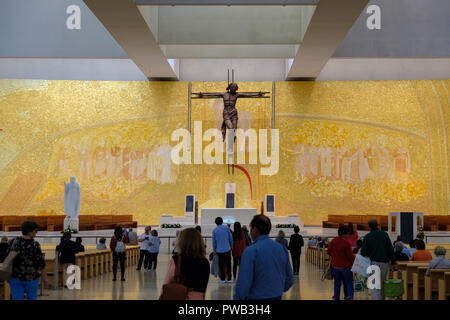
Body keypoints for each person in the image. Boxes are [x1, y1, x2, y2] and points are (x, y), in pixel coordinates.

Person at [234, 215, 293, 300]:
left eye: (251, 228)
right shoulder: (281, 248)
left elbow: (244, 284)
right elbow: (290, 279)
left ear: (255, 229)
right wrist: (276, 290)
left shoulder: (250, 251)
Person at [162, 228, 210, 300]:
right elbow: (204, 286)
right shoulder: (205, 262)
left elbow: (167, 282)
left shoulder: (176, 260)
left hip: (179, 296)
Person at [7, 221, 48, 300]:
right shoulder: (35, 245)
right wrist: (45, 278)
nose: (36, 233)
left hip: (15, 277)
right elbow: (41, 263)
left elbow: (7, 257)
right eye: (35, 231)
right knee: (32, 298)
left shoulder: (13, 242)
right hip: (31, 278)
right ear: (30, 232)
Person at [360, 219, 397, 300]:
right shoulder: (384, 235)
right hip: (384, 263)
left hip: (374, 263)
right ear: (378, 225)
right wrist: (393, 262)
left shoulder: (367, 237)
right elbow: (390, 249)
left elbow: (363, 252)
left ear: (369, 226)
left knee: (375, 285)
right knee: (382, 283)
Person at [327, 226, 355, 300]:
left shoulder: (333, 241)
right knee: (349, 283)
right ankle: (349, 297)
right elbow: (350, 256)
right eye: (347, 234)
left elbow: (328, 252)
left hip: (335, 267)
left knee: (337, 284)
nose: (348, 236)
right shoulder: (346, 243)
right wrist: (354, 263)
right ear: (343, 234)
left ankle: (336, 297)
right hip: (346, 267)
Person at [212, 217, 233, 284]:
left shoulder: (215, 230)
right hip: (227, 249)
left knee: (221, 265)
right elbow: (230, 237)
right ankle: (229, 278)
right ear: (222, 222)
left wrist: (214, 250)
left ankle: (223, 279)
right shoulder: (227, 228)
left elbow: (214, 242)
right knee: (228, 264)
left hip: (219, 250)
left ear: (216, 223)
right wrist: (232, 245)